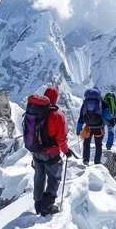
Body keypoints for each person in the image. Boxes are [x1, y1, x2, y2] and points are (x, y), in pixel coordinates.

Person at [28, 86, 74, 215]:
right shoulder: (57, 115)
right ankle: (47, 206)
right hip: (51, 153)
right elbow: (61, 138)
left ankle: (38, 204)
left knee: (39, 177)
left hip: (36, 151)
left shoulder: (34, 110)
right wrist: (66, 151)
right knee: (54, 178)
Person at [76, 88, 115, 165]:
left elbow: (81, 118)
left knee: (86, 143)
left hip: (88, 128)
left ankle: (85, 160)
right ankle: (97, 162)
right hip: (99, 128)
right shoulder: (103, 103)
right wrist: (112, 121)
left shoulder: (85, 103)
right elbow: (107, 115)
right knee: (98, 144)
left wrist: (78, 129)